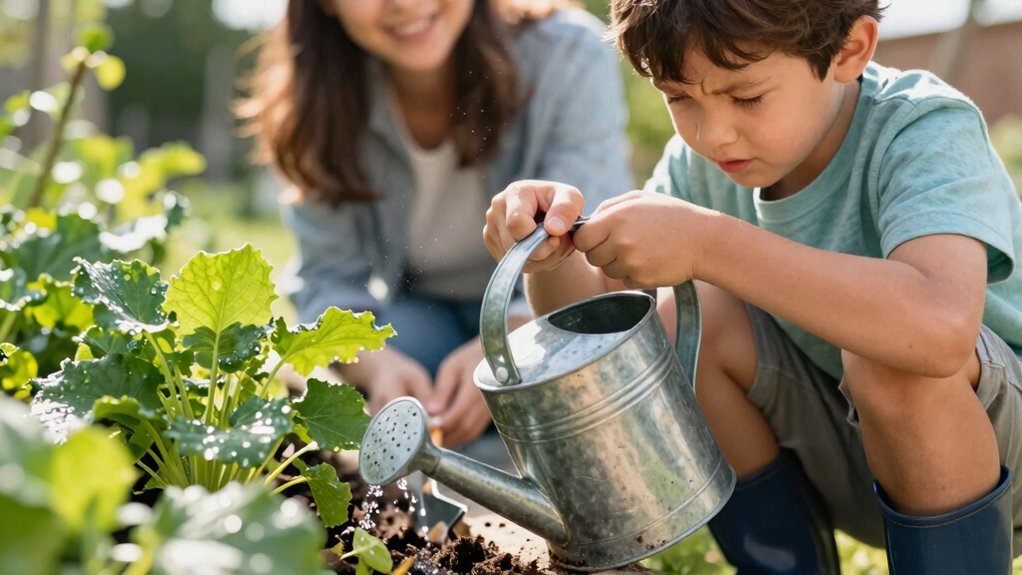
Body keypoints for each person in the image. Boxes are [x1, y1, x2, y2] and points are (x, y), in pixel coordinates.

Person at [483, 0, 1022, 573]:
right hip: (857, 469)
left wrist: (708, 245)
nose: (714, 134)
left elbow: (938, 330)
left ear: (849, 50)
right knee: (684, 317)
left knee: (890, 357)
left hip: (996, 468)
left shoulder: (921, 127)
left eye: (747, 97)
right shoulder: (702, 169)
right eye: (679, 98)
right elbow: (596, 347)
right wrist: (549, 253)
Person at [237, 0, 632, 448]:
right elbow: (328, 280)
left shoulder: (568, 54)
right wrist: (377, 367)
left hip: (546, 316)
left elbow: (585, 243)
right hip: (427, 311)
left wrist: (503, 347)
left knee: (569, 416)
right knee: (394, 394)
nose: (404, 4)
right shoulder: (320, 102)